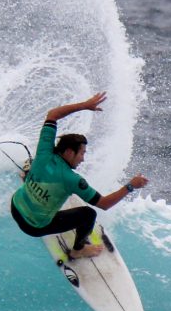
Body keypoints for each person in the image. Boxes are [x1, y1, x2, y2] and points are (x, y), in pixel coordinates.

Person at [9, 92, 147, 259]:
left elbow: (53, 114)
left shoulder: (45, 149)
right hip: (32, 226)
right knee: (88, 214)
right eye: (81, 153)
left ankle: (27, 177)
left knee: (34, 165)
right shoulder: (72, 179)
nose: (83, 158)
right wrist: (131, 185)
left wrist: (84, 105)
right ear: (68, 152)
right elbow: (104, 204)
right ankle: (78, 250)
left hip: (15, 206)